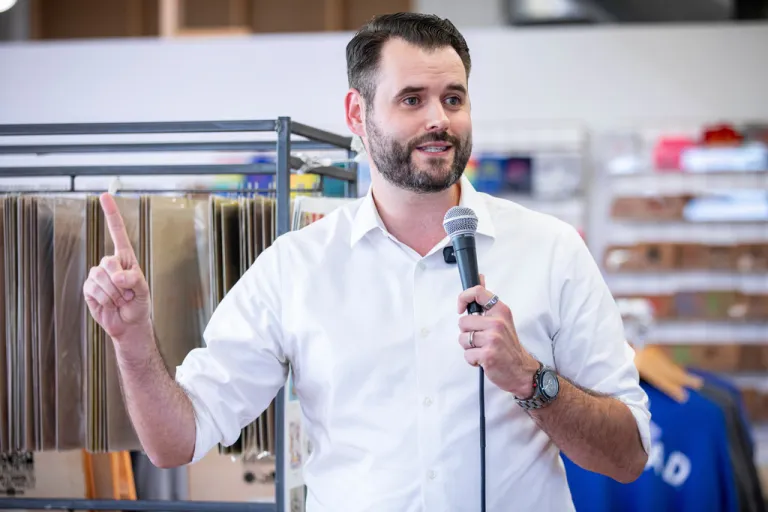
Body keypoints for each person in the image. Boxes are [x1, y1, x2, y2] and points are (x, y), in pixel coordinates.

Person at [82, 12, 650, 512]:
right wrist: (133, 345)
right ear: (357, 113)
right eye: (412, 99)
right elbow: (177, 440)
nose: (439, 120)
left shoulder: (552, 251)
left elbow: (628, 456)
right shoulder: (296, 267)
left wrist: (530, 380)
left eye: (453, 99)